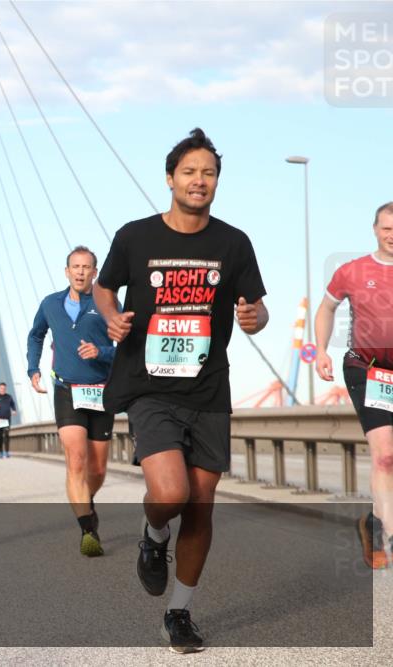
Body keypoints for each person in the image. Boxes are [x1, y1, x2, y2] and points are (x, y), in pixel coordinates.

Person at [93, 128, 268, 653]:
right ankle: (153, 537)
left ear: (217, 182)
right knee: (170, 494)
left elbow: (258, 307)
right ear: (170, 179)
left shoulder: (233, 243)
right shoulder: (136, 236)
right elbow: (105, 288)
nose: (199, 181)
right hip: (150, 387)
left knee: (202, 505)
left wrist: (255, 316)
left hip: (209, 388)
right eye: (189, 172)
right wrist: (111, 319)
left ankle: (179, 613)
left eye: (208, 173)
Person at [315, 201, 393, 569]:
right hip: (368, 369)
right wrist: (320, 352)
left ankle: (372, 522)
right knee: (385, 455)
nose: (392, 235)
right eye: (386, 228)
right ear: (375, 230)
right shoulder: (353, 271)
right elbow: (326, 308)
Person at [27, 245, 116, 558]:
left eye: (86, 267)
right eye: (75, 267)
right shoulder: (50, 304)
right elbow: (35, 334)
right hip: (66, 389)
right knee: (76, 458)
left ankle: (86, 502)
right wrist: (32, 368)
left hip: (102, 391)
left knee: (98, 470)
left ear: (95, 272)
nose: (80, 272)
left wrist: (101, 352)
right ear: (67, 271)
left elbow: (128, 346)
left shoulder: (107, 303)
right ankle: (87, 530)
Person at [0, 382, 18, 459]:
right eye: (1, 388)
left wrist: (14, 410)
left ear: (5, 389)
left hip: (7, 419)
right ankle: (1, 452)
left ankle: (7, 452)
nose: (3, 389)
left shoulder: (9, 397)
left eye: (4, 388)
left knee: (7, 435)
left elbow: (13, 404)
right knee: (0, 436)